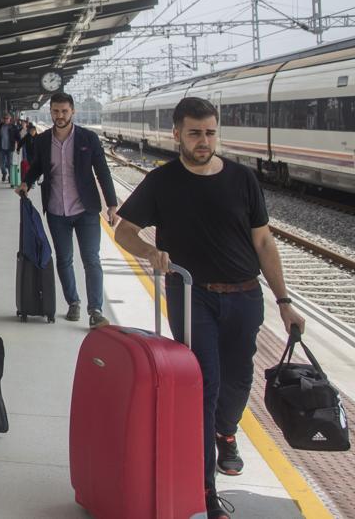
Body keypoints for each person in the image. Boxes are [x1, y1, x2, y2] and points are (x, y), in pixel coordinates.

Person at [114, 97, 306, 519]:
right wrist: (149, 251)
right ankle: (206, 490)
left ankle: (227, 432)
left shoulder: (242, 179)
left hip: (245, 297)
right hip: (191, 295)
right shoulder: (162, 182)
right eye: (195, 133)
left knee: (238, 384)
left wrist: (285, 302)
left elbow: (264, 243)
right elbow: (123, 231)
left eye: (211, 132)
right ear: (177, 134)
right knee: (207, 387)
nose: (204, 141)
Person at [15, 93, 118, 328]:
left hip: (86, 210)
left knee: (91, 259)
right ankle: (73, 302)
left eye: (64, 111)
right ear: (50, 112)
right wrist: (26, 183)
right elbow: (38, 167)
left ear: (73, 112)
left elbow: (103, 171)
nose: (59, 116)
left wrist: (112, 205)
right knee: (64, 259)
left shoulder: (88, 139)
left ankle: (96, 310)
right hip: (56, 209)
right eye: (55, 111)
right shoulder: (42, 141)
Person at [0, 113, 18, 182]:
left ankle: (10, 176)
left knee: (10, 163)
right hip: (1, 148)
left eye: (7, 118)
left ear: (10, 119)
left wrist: (18, 145)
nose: (6, 120)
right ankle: (4, 173)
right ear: (3, 119)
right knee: (1, 163)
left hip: (10, 148)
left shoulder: (13, 127)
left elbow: (18, 137)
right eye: (5, 118)